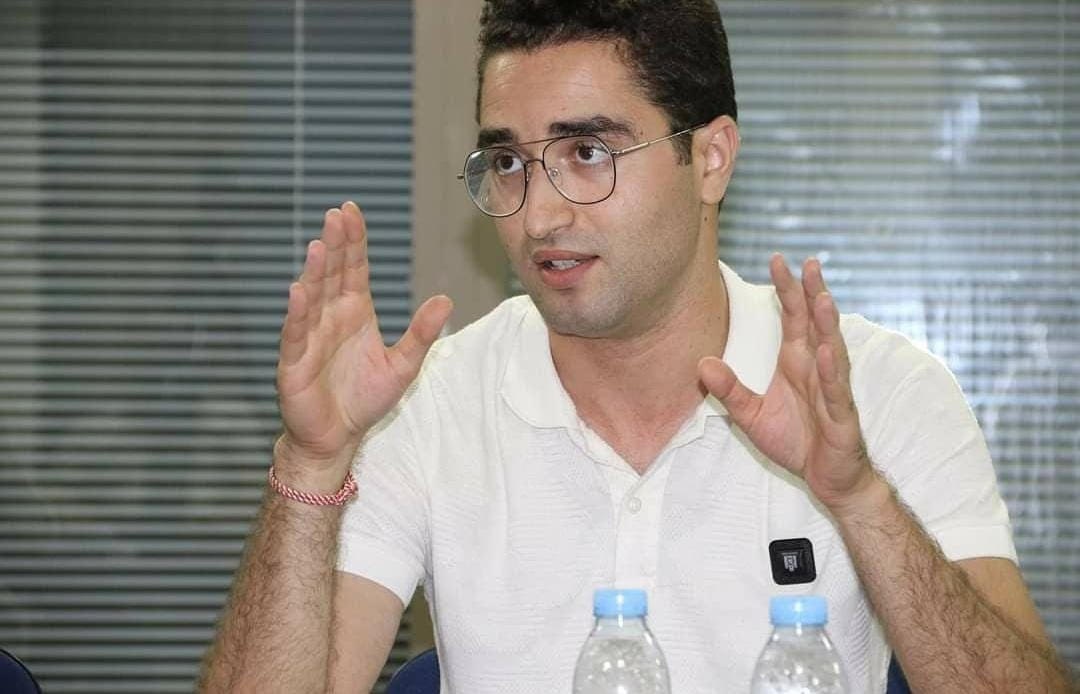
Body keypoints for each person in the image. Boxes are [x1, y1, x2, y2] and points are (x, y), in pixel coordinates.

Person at [199, 1, 1074, 692]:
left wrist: (860, 501)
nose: (539, 216)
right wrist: (312, 461)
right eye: (509, 163)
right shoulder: (428, 403)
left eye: (587, 152)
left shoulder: (878, 389)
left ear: (712, 159)